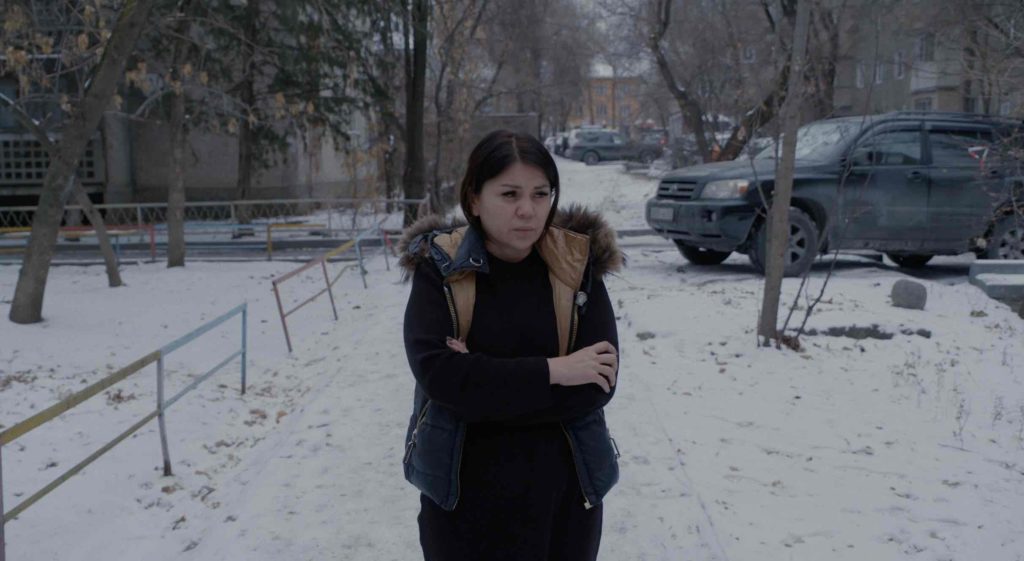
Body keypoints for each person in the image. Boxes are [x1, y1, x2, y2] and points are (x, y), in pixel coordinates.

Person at [399, 129, 623, 561]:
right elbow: (440, 378)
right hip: (462, 502)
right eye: (509, 194)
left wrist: (481, 380)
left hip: (563, 501)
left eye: (541, 194)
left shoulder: (576, 266)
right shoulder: (441, 270)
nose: (528, 210)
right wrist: (556, 370)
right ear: (474, 199)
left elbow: (597, 384)